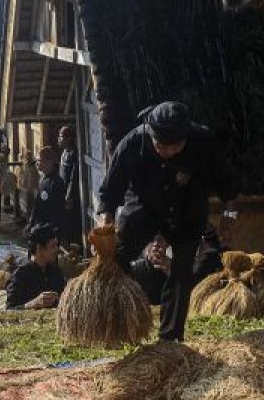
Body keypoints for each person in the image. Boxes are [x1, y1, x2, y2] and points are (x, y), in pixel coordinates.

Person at [98, 101, 239, 342]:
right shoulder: (133, 143)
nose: (167, 151)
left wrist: (229, 215)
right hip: (143, 209)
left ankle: (170, 338)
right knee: (117, 259)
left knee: (181, 273)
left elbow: (227, 184)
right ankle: (118, 327)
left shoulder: (203, 142)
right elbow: (110, 191)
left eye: (175, 147)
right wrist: (106, 224)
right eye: (161, 146)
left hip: (187, 212)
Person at [129, 225, 223, 304]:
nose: (156, 244)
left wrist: (173, 269)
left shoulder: (206, 251)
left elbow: (197, 289)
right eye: (153, 240)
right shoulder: (142, 265)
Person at [6, 224, 67, 310]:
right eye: (53, 246)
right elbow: (9, 310)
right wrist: (33, 303)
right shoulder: (20, 275)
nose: (57, 249)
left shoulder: (55, 271)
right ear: (40, 248)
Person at [27, 146, 66, 235]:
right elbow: (37, 204)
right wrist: (31, 223)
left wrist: (51, 228)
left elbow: (58, 209)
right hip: (39, 226)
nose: (37, 163)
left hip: (50, 229)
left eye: (39, 160)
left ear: (49, 162)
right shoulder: (42, 180)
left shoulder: (56, 182)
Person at [57, 126, 84, 247]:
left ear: (69, 138)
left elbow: (74, 177)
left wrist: (69, 195)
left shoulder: (74, 153)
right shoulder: (64, 153)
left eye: (62, 136)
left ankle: (75, 245)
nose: (59, 139)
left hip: (71, 195)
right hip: (62, 192)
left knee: (72, 220)